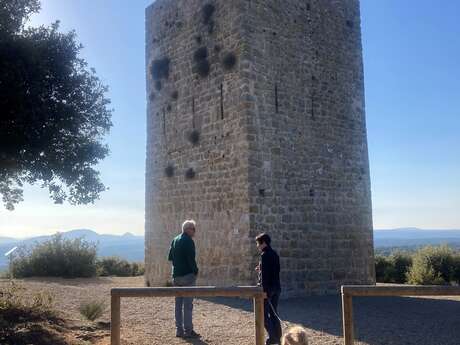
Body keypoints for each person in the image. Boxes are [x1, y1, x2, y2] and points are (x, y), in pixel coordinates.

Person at [168, 219, 200, 338]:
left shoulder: (175, 240)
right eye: (193, 229)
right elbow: (191, 259)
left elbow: (170, 257)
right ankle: (188, 330)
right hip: (187, 276)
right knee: (188, 304)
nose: (194, 231)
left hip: (176, 276)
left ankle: (179, 330)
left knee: (178, 304)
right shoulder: (189, 241)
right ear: (188, 229)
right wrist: (196, 272)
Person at [255, 233, 282, 345]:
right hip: (277, 288)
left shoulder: (264, 255)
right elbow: (275, 271)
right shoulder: (275, 254)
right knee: (274, 314)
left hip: (269, 290)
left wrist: (265, 291)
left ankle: (273, 338)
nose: (257, 246)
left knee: (264, 315)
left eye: (258, 243)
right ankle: (278, 337)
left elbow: (265, 276)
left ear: (264, 243)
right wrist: (261, 269)